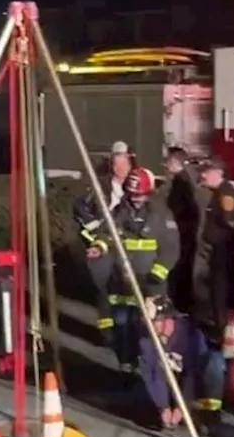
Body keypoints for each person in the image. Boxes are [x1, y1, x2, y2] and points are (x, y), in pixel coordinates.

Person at [100, 167, 180, 373]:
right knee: (120, 323)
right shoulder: (120, 211)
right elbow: (107, 235)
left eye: (140, 196)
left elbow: (171, 248)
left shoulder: (161, 214)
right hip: (122, 280)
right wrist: (99, 247)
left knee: (145, 327)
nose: (136, 199)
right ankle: (125, 364)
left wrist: (158, 273)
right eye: (133, 195)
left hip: (150, 282)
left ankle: (147, 367)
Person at [75, 141, 135, 340]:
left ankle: (126, 330)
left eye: (125, 163)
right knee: (103, 289)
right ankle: (107, 333)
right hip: (102, 246)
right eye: (117, 163)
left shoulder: (135, 186)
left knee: (126, 289)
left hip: (126, 246)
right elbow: (81, 209)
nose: (121, 168)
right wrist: (96, 234)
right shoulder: (100, 186)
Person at [137, 296, 206, 430]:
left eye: (154, 322)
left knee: (209, 368)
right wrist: (163, 407)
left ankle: (199, 414)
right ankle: (162, 408)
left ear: (167, 320)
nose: (150, 326)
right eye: (148, 322)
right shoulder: (146, 340)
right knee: (157, 370)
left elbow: (192, 373)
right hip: (165, 380)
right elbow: (150, 373)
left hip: (187, 378)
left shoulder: (188, 335)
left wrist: (182, 407)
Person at [196, 157, 234, 339]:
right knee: (219, 298)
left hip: (226, 256)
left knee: (223, 299)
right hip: (220, 254)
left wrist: (217, 242)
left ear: (218, 173)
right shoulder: (218, 193)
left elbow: (230, 225)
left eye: (207, 172)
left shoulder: (226, 195)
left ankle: (227, 337)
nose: (203, 175)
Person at [162, 147, 199, 315]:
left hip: (182, 234)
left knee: (181, 268)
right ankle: (183, 304)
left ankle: (181, 306)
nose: (165, 165)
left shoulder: (181, 182)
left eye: (168, 162)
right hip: (186, 233)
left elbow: (181, 209)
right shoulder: (185, 180)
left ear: (175, 162)